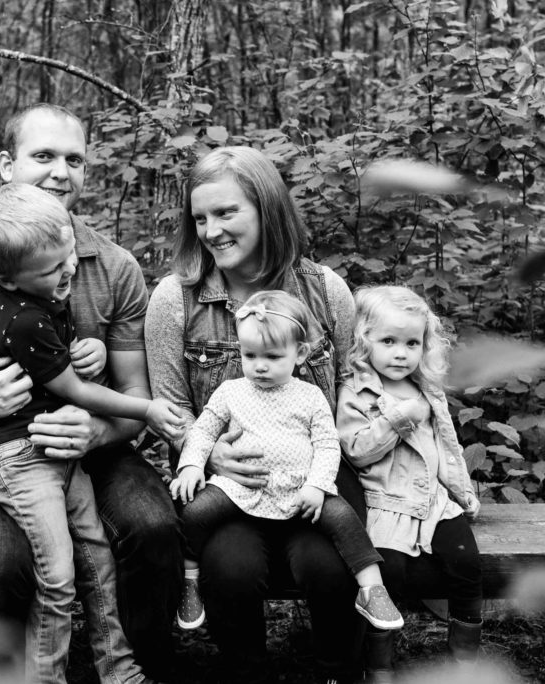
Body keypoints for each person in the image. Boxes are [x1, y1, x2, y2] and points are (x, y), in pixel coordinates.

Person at [0, 103, 183, 682]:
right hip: (7, 452)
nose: (60, 171)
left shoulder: (115, 266)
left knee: (152, 527)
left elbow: (136, 398)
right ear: (6, 165)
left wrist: (98, 430)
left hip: (99, 448)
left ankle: (140, 667)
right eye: (42, 156)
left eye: (73, 159)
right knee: (1, 566)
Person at [145, 145, 368, 684]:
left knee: (327, 567)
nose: (211, 230)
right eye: (200, 218)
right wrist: (210, 452)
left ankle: (339, 670)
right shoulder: (177, 300)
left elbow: (352, 393)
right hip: (229, 486)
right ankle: (246, 671)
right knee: (230, 570)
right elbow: (171, 409)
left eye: (226, 213)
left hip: (314, 476)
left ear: (267, 210)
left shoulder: (324, 290)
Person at [0, 182, 184, 683]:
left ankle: (120, 670)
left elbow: (63, 369)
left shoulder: (44, 294)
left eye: (68, 260)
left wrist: (94, 351)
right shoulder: (21, 318)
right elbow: (78, 393)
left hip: (60, 452)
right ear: (7, 279)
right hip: (17, 457)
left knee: (99, 563)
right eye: (50, 270)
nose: (66, 273)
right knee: (57, 576)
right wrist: (147, 408)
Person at [169, 290, 402, 635]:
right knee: (194, 513)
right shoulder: (230, 392)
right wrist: (190, 465)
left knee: (343, 517)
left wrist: (317, 486)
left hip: (299, 485)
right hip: (241, 486)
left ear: (300, 353)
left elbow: (326, 445)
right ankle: (190, 582)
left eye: (273, 356)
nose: (260, 365)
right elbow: (203, 430)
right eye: (250, 355)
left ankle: (371, 587)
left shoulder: (309, 397)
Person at [336, 285, 482, 683]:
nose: (401, 352)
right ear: (365, 342)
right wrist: (400, 419)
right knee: (389, 578)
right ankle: (379, 667)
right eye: (388, 341)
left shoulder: (427, 390)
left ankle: (463, 664)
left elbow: (447, 449)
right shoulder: (355, 392)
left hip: (433, 503)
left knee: (467, 564)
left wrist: (462, 492)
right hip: (385, 505)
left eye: (411, 343)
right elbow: (355, 450)